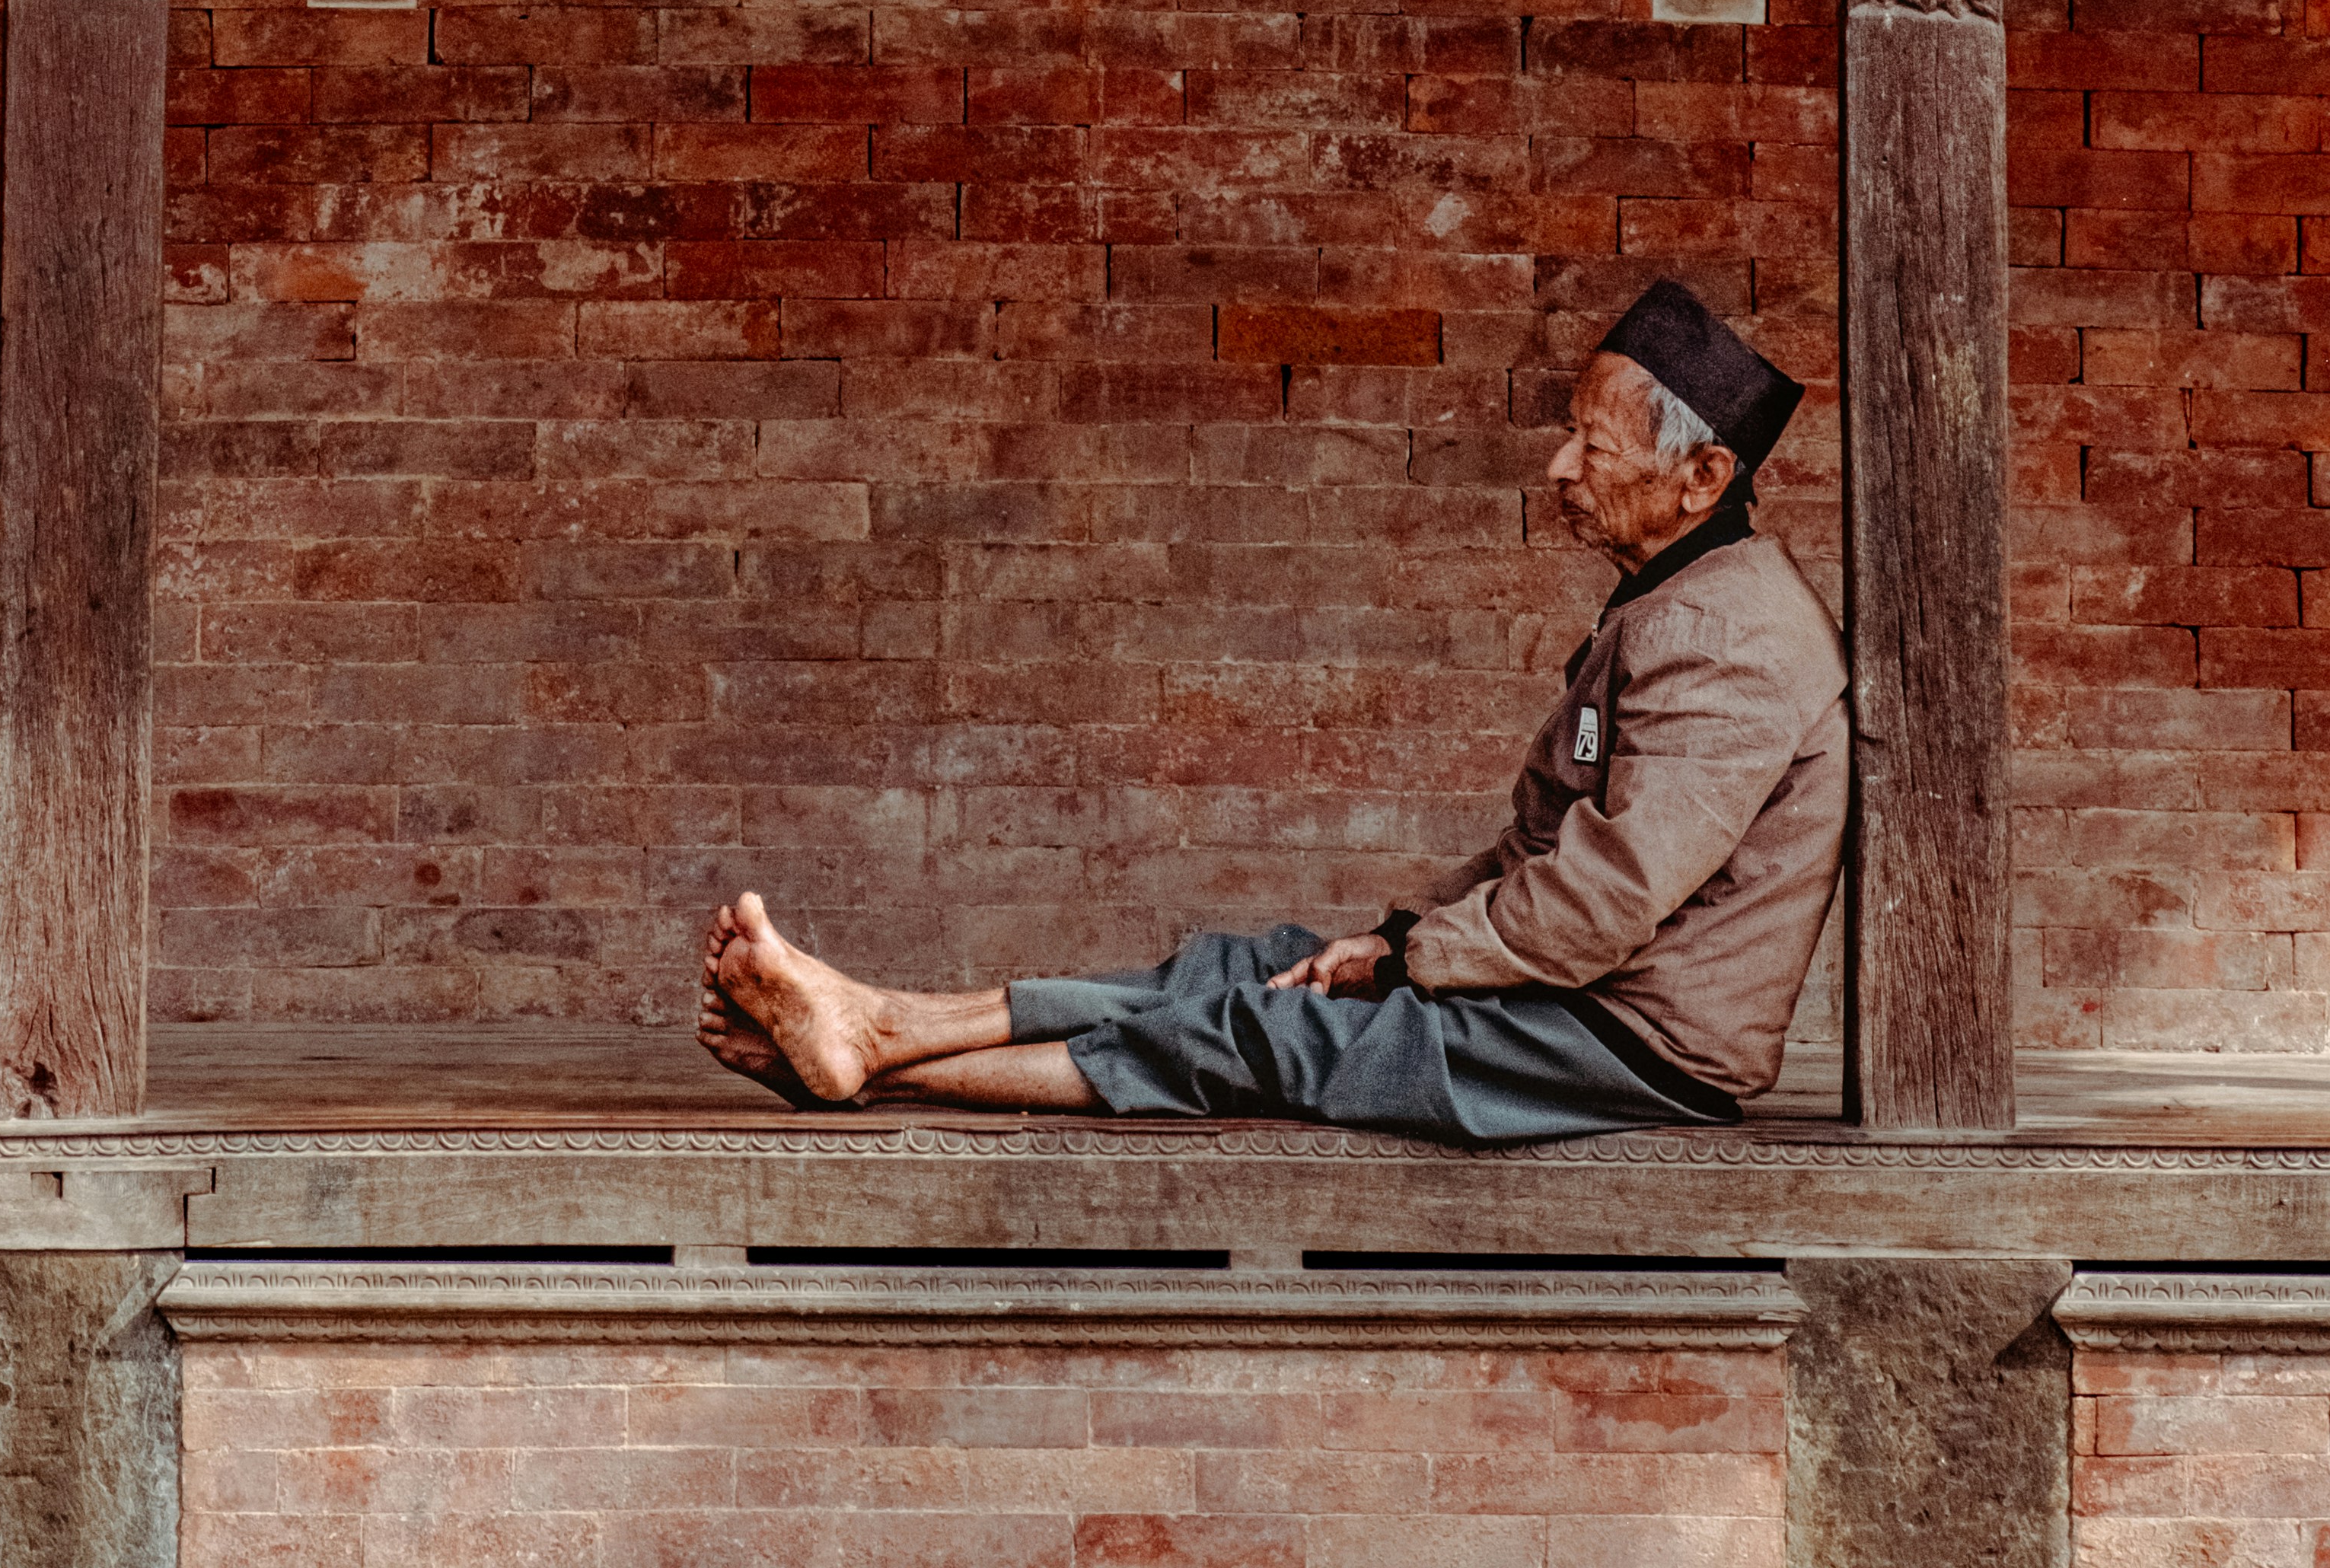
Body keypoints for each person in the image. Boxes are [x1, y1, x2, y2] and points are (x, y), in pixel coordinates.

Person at [698, 279, 1847, 1141]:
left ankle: (875, 1056)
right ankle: (877, 1019)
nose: (1557, 469)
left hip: (1628, 1043)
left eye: (1591, 448)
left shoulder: (1731, 641)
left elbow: (1602, 906)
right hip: (1571, 998)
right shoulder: (1679, 608)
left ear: (1703, 480)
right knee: (1250, 968)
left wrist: (1412, 968)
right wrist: (1390, 943)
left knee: (1271, 1029)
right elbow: (1538, 859)